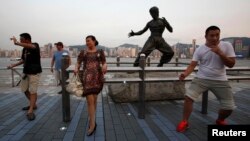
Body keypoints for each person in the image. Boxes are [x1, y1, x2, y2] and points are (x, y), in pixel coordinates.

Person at [176, 26, 236, 132]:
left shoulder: (227, 46)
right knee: (188, 98)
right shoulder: (200, 49)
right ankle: (185, 121)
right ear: (206, 36)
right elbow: (192, 65)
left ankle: (220, 119)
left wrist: (220, 53)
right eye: (211, 35)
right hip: (201, 78)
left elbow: (231, 64)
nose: (214, 38)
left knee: (229, 107)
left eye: (217, 35)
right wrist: (185, 74)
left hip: (220, 79)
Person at [74, 35, 107, 136]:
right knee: (90, 101)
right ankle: (92, 124)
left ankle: (92, 119)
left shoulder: (100, 52)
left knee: (94, 100)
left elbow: (104, 62)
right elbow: (78, 62)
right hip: (86, 79)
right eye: (86, 41)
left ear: (94, 41)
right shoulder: (83, 52)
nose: (87, 43)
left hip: (97, 79)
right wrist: (76, 68)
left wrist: (105, 66)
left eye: (89, 41)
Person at [7, 33, 42, 121]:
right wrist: (13, 65)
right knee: (25, 89)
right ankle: (33, 104)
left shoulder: (35, 45)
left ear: (27, 39)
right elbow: (23, 60)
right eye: (20, 39)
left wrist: (17, 43)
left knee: (33, 91)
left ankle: (30, 110)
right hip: (26, 72)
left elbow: (32, 47)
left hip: (34, 72)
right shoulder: (24, 50)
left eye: (21, 39)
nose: (20, 40)